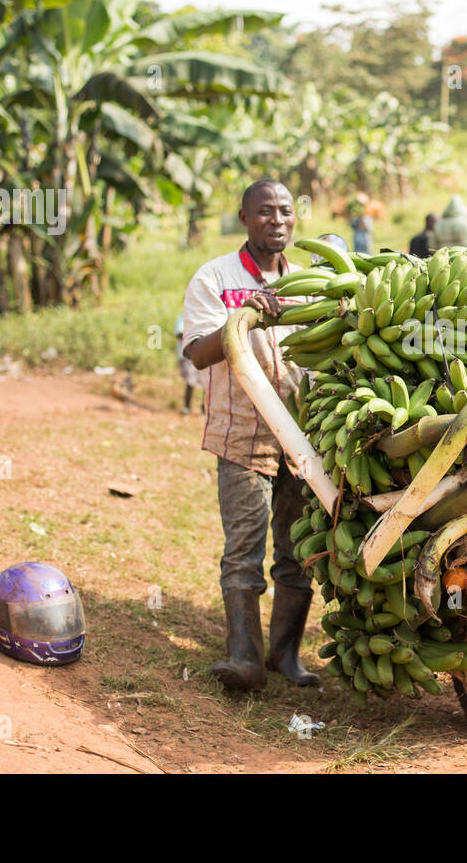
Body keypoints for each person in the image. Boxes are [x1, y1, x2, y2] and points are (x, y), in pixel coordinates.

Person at [181, 179, 319, 691]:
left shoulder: (309, 282)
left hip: (303, 441)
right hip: (242, 435)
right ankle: (244, 657)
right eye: (264, 212)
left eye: (285, 210)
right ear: (244, 216)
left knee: (298, 550)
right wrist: (250, 314)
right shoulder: (215, 278)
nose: (276, 220)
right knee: (244, 550)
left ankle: (286, 657)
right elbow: (197, 352)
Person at [174, 315, 202, 414]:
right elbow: (179, 334)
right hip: (188, 356)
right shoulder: (182, 318)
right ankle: (187, 407)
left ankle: (204, 408)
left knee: (205, 381)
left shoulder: (201, 317)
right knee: (190, 382)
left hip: (201, 353)